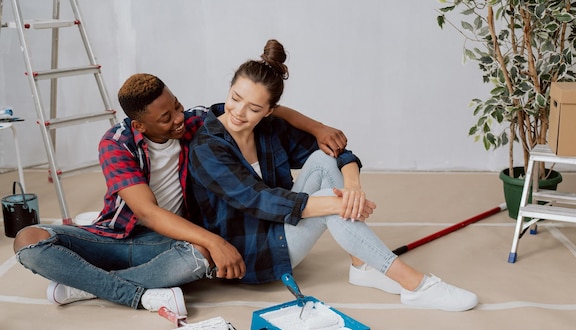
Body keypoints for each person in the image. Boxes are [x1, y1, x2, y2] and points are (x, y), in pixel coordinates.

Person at [13, 73, 349, 316]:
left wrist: (318, 128)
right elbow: (147, 213)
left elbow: (266, 108)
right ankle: (139, 296)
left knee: (201, 253)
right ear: (140, 126)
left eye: (176, 106)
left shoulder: (194, 124)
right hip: (116, 236)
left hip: (172, 243)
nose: (179, 118)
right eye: (166, 117)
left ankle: (83, 286)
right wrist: (219, 242)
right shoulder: (116, 143)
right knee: (28, 239)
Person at [188, 40, 478, 311]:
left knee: (320, 160)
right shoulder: (208, 146)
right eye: (235, 98)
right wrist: (337, 205)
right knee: (329, 200)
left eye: (254, 108)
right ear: (228, 89)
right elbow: (258, 199)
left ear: (269, 111)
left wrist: (353, 191)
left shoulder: (270, 129)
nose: (239, 112)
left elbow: (337, 153)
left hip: (276, 229)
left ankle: (361, 266)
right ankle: (416, 285)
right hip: (251, 254)